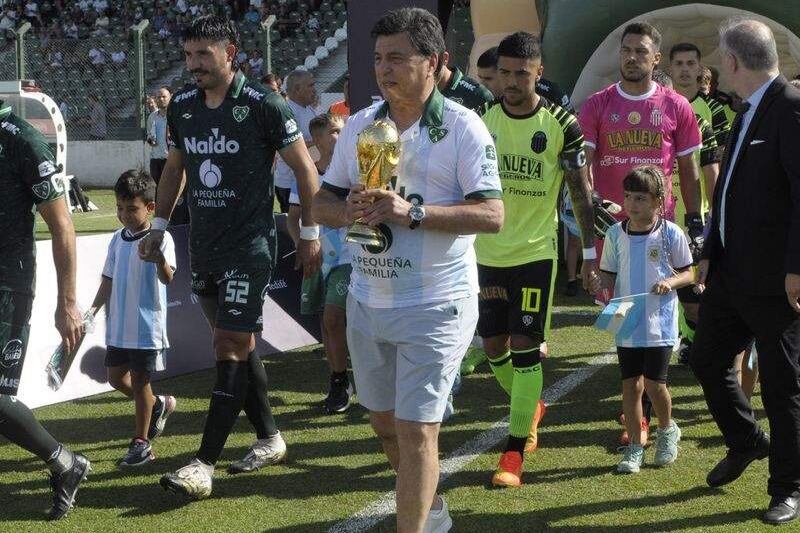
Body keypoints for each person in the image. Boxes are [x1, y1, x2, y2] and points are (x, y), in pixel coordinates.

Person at [312, 8, 503, 532]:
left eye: (397, 57)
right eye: (378, 58)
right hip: (368, 300)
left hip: (436, 304)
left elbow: (491, 214)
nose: (384, 68)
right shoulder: (360, 126)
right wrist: (348, 209)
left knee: (419, 430)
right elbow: (320, 205)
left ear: (435, 63)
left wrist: (411, 212)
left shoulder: (463, 127)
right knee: (384, 424)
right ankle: (432, 507)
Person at [139, 15, 321, 499]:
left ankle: (203, 465)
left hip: (251, 248)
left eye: (203, 54)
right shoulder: (181, 106)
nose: (193, 64)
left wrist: (309, 233)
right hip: (206, 247)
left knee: (228, 347)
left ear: (230, 53)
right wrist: (159, 226)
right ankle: (269, 437)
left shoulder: (265, 104)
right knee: (241, 347)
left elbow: (306, 170)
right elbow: (175, 169)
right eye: (188, 55)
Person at [688, 19, 800, 525]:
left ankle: (788, 489)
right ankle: (746, 440)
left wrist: (797, 268)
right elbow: (727, 189)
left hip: (777, 281)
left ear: (733, 62)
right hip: (731, 274)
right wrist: (710, 247)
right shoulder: (746, 110)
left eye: (720, 59)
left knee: (782, 387)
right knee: (707, 358)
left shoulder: (790, 108)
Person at [476, 31, 598, 487]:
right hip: (487, 253)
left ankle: (512, 455)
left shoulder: (563, 125)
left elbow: (580, 193)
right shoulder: (480, 121)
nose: (511, 81)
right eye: (504, 73)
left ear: (538, 73)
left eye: (521, 74)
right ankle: (533, 406)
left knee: (526, 347)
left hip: (535, 255)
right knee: (493, 348)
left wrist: (588, 253)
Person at [578, 22, 703, 446]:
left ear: (655, 58)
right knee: (621, 320)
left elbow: (687, 171)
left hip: (658, 236)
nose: (632, 57)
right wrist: (589, 226)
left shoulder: (677, 107)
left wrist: (696, 220)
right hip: (612, 234)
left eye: (641, 51)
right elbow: (584, 171)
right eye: (626, 50)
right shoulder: (597, 105)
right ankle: (636, 403)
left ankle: (644, 415)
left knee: (655, 314)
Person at [0, 100, 90, 520]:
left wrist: (67, 303)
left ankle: (64, 462)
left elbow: (62, 224)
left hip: (7, 284)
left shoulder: (21, 138)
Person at [594, 165, 693, 473]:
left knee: (654, 384)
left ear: (657, 201)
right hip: (626, 319)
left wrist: (670, 283)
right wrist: (599, 283)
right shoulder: (615, 234)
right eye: (628, 197)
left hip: (659, 321)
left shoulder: (670, 233)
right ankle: (635, 448)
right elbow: (608, 274)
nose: (631, 204)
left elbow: (690, 272)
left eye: (639, 198)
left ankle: (666, 430)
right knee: (630, 386)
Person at [90, 170, 177, 467]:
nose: (124, 215)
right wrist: (93, 310)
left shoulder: (161, 239)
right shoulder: (117, 239)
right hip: (118, 327)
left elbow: (168, 279)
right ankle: (158, 405)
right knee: (116, 378)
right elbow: (108, 279)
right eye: (119, 208)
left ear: (150, 208)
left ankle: (141, 445)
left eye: (132, 208)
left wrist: (159, 260)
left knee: (140, 382)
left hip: (146, 327)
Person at [290, 112, 353, 413]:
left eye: (341, 130)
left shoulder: (355, 170)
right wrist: (303, 246)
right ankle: (338, 379)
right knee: (325, 325)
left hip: (348, 256)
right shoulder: (307, 174)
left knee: (332, 318)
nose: (339, 137)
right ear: (316, 140)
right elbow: (293, 218)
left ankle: (342, 382)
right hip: (318, 257)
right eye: (332, 132)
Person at [475, 45, 573, 111]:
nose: (482, 85)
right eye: (480, 78)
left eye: (488, 79)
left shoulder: (551, 94)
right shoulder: (479, 99)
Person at [274, 70, 318, 216]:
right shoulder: (288, 111)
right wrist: (321, 141)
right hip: (290, 182)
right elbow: (290, 147)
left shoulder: (309, 109)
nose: (314, 89)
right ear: (297, 89)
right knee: (296, 227)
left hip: (304, 179)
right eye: (310, 85)